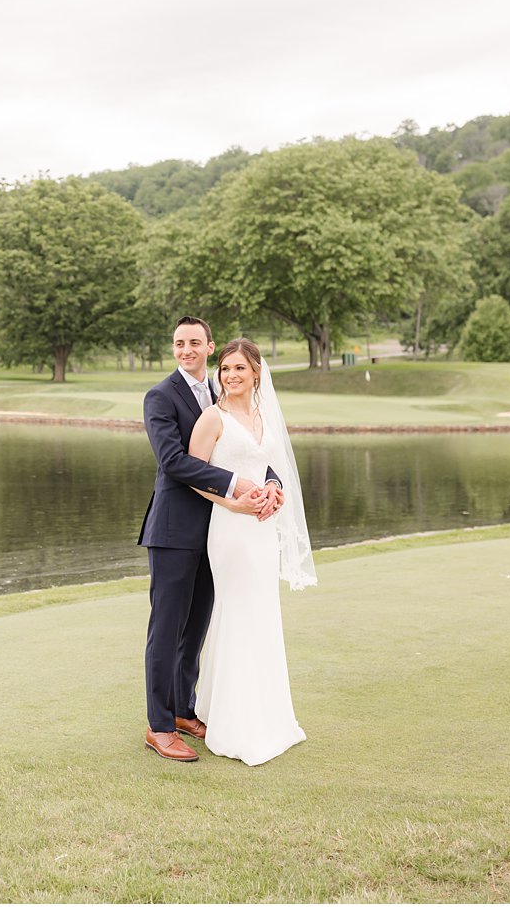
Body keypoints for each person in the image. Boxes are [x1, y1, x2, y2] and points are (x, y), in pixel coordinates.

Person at [138, 316, 284, 763]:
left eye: (195, 342)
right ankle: (159, 726)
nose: (186, 349)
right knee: (167, 629)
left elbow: (257, 448)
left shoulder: (222, 396)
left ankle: (184, 710)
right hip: (175, 531)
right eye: (179, 343)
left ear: (209, 347)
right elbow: (174, 462)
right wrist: (239, 485)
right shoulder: (160, 397)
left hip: (219, 531)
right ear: (174, 348)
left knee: (196, 628)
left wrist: (270, 485)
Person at [187, 337, 316, 766]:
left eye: (240, 368)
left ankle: (269, 716)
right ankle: (235, 724)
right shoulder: (212, 418)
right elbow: (194, 475)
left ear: (256, 373)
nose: (231, 376)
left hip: (262, 530)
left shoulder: (264, 415)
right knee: (237, 614)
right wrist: (234, 502)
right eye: (225, 369)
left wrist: (275, 491)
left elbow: (272, 466)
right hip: (229, 529)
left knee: (262, 615)